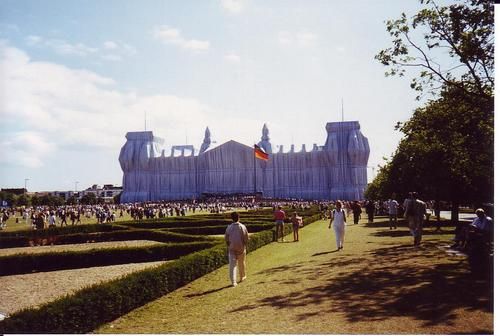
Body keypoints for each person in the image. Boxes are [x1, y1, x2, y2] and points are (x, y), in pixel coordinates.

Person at [225, 211, 249, 287]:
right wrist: (245, 244)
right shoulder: (242, 226)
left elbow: (226, 238)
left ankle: (233, 282)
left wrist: (229, 245)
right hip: (241, 247)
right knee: (241, 263)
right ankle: (242, 277)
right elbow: (246, 238)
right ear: (239, 218)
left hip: (232, 248)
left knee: (232, 266)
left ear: (231, 219)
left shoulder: (229, 227)